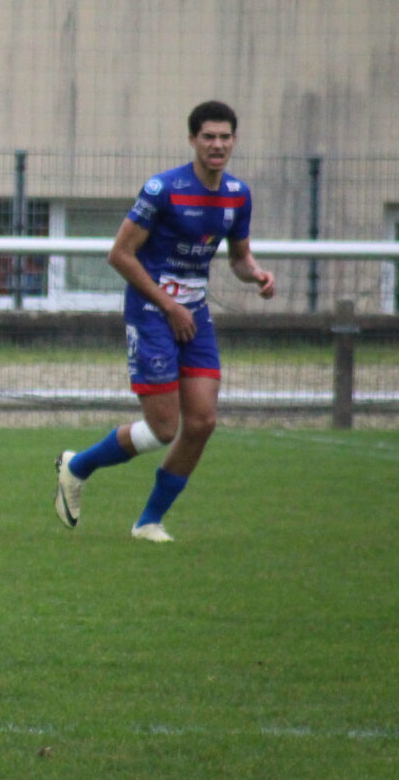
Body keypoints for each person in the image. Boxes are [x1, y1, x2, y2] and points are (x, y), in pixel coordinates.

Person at [53, 100, 275, 542]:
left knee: (202, 423)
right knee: (163, 428)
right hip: (152, 313)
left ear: (235, 140)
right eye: (208, 137)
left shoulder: (237, 195)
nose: (217, 145)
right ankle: (77, 467)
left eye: (225, 137)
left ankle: (149, 521)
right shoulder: (163, 189)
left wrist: (256, 274)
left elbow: (239, 257)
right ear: (192, 139)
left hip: (194, 315)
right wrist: (169, 306)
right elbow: (120, 255)